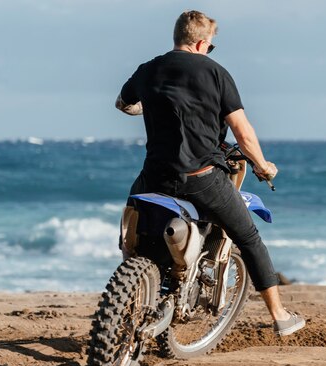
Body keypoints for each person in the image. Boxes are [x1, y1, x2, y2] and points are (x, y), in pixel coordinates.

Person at [115, 10, 305, 337]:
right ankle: (280, 316)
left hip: (155, 177)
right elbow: (242, 132)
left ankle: (129, 297)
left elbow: (124, 104)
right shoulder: (216, 73)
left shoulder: (148, 70)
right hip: (200, 177)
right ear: (202, 42)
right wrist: (262, 165)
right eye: (210, 46)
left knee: (133, 236)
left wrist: (156, 102)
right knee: (249, 237)